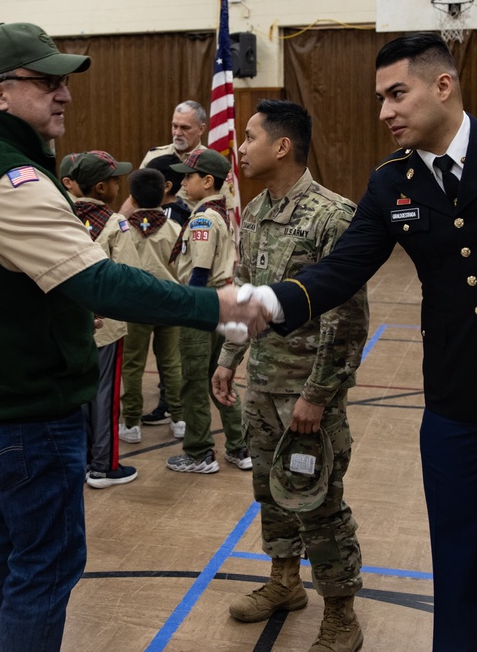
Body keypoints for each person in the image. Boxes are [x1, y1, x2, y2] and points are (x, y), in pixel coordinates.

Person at [0, 22, 268, 652]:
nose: (65, 95)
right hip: (25, 412)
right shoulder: (10, 181)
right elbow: (103, 284)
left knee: (11, 549)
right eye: (46, 81)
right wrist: (216, 305)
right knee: (45, 566)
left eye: (64, 82)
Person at [247, 33, 477, 651]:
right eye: (380, 98)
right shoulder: (391, 183)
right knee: (456, 555)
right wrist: (268, 302)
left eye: (396, 94)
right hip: (455, 401)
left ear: (443, 85)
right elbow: (340, 270)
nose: (385, 112)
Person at [213, 100, 369, 651]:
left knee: (320, 503)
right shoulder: (254, 214)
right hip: (263, 388)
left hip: (308, 398)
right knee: (272, 495)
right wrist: (230, 360)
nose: (242, 146)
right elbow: (247, 297)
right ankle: (284, 583)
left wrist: (317, 397)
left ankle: (342, 616)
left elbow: (347, 321)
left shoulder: (333, 216)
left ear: (282, 146)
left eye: (250, 137)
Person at [60, 150, 142, 488]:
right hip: (106, 326)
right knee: (105, 396)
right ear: (100, 187)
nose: (118, 185)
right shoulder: (114, 223)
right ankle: (104, 466)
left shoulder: (60, 218)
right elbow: (128, 273)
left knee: (77, 395)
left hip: (69, 322)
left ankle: (78, 462)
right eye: (113, 180)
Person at [166, 148, 250, 474]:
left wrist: (190, 310)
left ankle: (199, 453)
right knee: (221, 377)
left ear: (207, 180)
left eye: (188, 176)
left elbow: (199, 271)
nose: (183, 181)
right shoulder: (219, 213)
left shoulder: (202, 218)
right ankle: (239, 447)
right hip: (220, 302)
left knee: (195, 381)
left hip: (202, 303)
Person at [119, 165, 187, 443]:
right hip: (169, 302)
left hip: (135, 304)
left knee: (132, 364)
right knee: (171, 362)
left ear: (132, 199)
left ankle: (132, 423)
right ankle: (180, 419)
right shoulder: (174, 228)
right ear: (164, 195)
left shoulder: (123, 229)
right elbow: (183, 267)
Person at [139, 100, 238, 214]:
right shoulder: (154, 156)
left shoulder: (213, 163)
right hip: (155, 226)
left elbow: (228, 210)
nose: (177, 132)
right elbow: (135, 199)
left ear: (201, 129)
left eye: (184, 128)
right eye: (174, 126)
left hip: (196, 227)